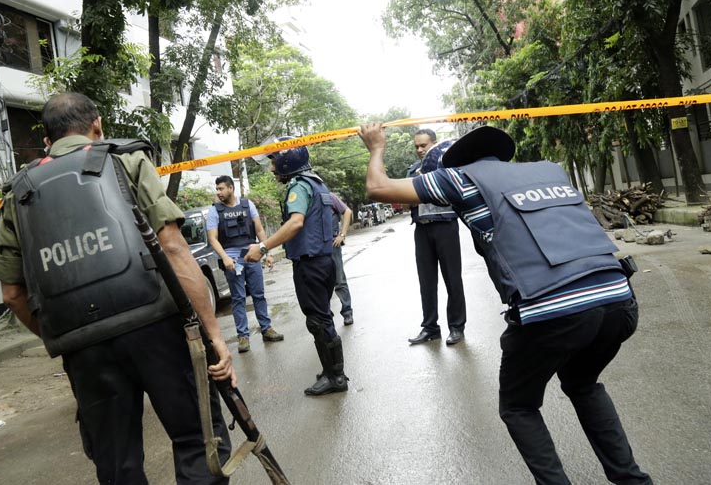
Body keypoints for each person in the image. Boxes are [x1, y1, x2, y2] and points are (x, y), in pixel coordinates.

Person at [358, 122, 652, 485]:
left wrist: (376, 147)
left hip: (553, 311)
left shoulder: (457, 178)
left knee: (518, 406)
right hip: (618, 299)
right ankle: (633, 481)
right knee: (583, 383)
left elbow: (377, 188)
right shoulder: (547, 170)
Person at [0, 92, 234, 485]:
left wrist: (69, 335)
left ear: (47, 141)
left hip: (85, 350)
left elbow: (12, 294)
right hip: (157, 327)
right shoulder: (125, 160)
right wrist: (213, 335)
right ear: (97, 125)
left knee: (117, 467)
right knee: (196, 442)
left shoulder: (19, 192)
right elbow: (173, 248)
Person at [244, 137, 348, 396]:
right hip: (324, 262)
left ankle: (335, 378)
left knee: (318, 320)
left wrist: (263, 247)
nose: (272, 168)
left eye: (274, 162)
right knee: (322, 318)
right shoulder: (318, 184)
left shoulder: (299, 187)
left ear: (287, 161)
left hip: (310, 265)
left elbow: (295, 223)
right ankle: (331, 371)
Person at [207, 175, 284, 353]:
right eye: (217, 189)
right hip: (232, 259)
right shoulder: (214, 211)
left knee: (258, 294)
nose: (218, 192)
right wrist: (225, 257)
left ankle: (266, 329)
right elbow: (213, 238)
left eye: (221, 188)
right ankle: (243, 336)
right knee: (238, 298)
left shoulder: (248, 205)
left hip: (252, 253)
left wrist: (267, 253)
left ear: (231, 188)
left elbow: (259, 229)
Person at [406, 128, 467, 346]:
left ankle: (457, 327)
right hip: (422, 229)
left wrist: (422, 191)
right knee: (426, 281)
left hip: (446, 227)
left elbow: (456, 192)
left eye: (424, 145)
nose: (420, 150)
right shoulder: (413, 170)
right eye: (417, 146)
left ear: (434, 143)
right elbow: (406, 200)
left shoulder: (447, 167)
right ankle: (430, 327)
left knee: (452, 278)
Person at [330, 192, 354, 326]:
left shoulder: (329, 197)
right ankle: (327, 317)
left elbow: (347, 211)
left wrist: (342, 235)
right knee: (322, 283)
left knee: (339, 280)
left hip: (333, 244)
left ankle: (347, 312)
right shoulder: (307, 199)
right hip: (316, 247)